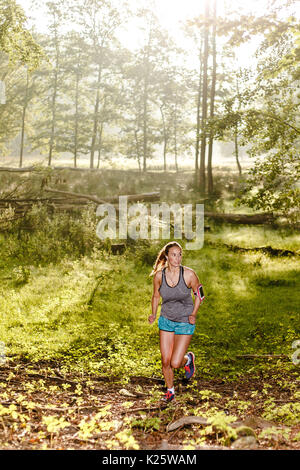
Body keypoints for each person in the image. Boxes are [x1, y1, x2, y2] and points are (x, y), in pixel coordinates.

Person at [148, 241, 203, 402]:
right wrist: (153, 313)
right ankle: (170, 391)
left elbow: (200, 294)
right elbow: (156, 296)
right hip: (166, 320)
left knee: (175, 362)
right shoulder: (159, 276)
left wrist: (193, 313)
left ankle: (188, 359)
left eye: (180, 254)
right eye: (174, 254)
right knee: (165, 360)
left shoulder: (189, 274)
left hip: (185, 321)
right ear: (166, 256)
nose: (177, 258)